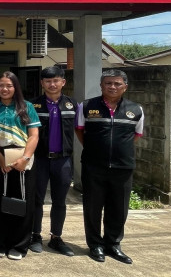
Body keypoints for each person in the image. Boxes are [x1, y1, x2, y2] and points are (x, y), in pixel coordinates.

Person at [76, 69, 144, 265]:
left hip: (123, 167)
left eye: (117, 83)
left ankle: (113, 244)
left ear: (125, 87)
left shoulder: (136, 109)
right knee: (92, 207)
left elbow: (136, 135)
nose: (112, 87)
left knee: (119, 208)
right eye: (108, 83)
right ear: (101, 85)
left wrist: (118, 152)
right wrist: (96, 150)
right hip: (93, 166)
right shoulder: (86, 106)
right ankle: (95, 245)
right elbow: (80, 131)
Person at [0, 71, 40, 261]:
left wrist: (25, 158)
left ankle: (19, 244)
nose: (5, 89)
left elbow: (34, 135)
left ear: (16, 87)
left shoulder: (27, 107)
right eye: (1, 85)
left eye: (9, 85)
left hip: (23, 158)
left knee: (22, 201)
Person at [29, 66, 77, 256]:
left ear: (63, 82)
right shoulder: (33, 105)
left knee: (60, 200)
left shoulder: (73, 105)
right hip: (40, 159)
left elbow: (80, 130)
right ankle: (35, 236)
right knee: (36, 199)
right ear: (42, 83)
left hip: (63, 160)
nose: (52, 84)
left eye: (56, 80)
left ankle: (56, 238)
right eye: (48, 81)